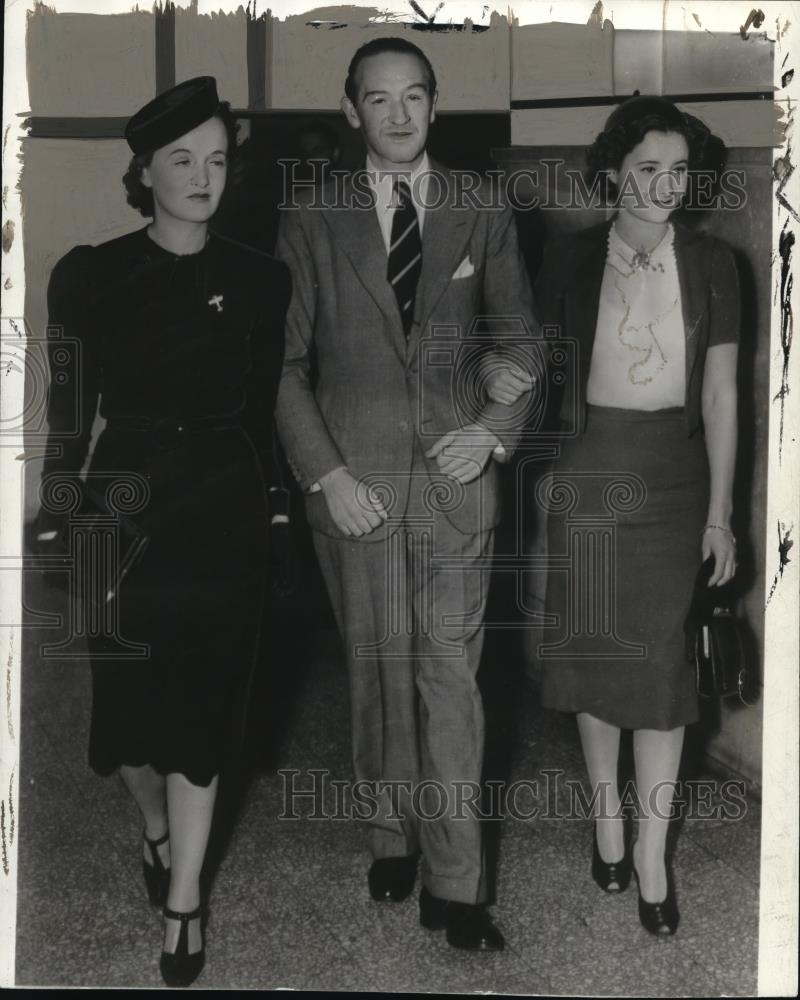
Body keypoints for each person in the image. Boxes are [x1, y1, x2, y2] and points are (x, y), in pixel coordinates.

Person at [275, 37, 539, 951]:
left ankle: (458, 886)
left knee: (450, 681)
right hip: (356, 490)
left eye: (415, 97)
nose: (398, 115)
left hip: (458, 485)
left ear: (434, 105)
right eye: (378, 100)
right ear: (352, 111)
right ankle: (392, 832)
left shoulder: (481, 205)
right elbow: (283, 365)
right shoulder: (311, 215)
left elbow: (524, 343)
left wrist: (495, 429)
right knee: (375, 673)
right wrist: (328, 474)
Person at [34, 77, 291, 985]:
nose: (202, 177)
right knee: (128, 727)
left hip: (223, 506)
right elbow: (70, 408)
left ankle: (185, 901)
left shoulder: (263, 279)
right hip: (122, 504)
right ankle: (152, 826)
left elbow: (263, 413)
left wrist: (273, 502)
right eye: (182, 160)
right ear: (144, 171)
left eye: (218, 160)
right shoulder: (92, 273)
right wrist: (60, 497)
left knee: (206, 710)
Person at [488, 96, 739, 935]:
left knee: (663, 676)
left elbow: (722, 393)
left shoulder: (715, 265)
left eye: (678, 171)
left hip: (674, 483)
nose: (664, 187)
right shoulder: (565, 258)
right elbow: (528, 360)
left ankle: (653, 855)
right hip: (586, 471)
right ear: (613, 172)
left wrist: (722, 516)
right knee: (595, 660)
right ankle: (605, 815)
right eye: (646, 170)